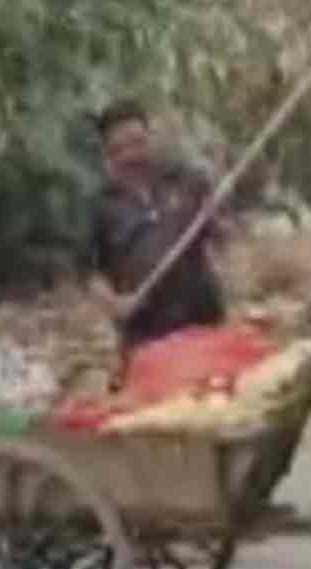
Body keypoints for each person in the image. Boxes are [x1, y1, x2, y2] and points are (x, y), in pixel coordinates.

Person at [86, 100, 227, 368]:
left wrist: (217, 213)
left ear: (150, 138)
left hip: (203, 321)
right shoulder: (100, 207)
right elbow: (89, 272)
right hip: (147, 337)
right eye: (119, 149)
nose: (131, 155)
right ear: (108, 154)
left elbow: (219, 235)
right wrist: (115, 304)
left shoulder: (186, 182)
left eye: (137, 143)